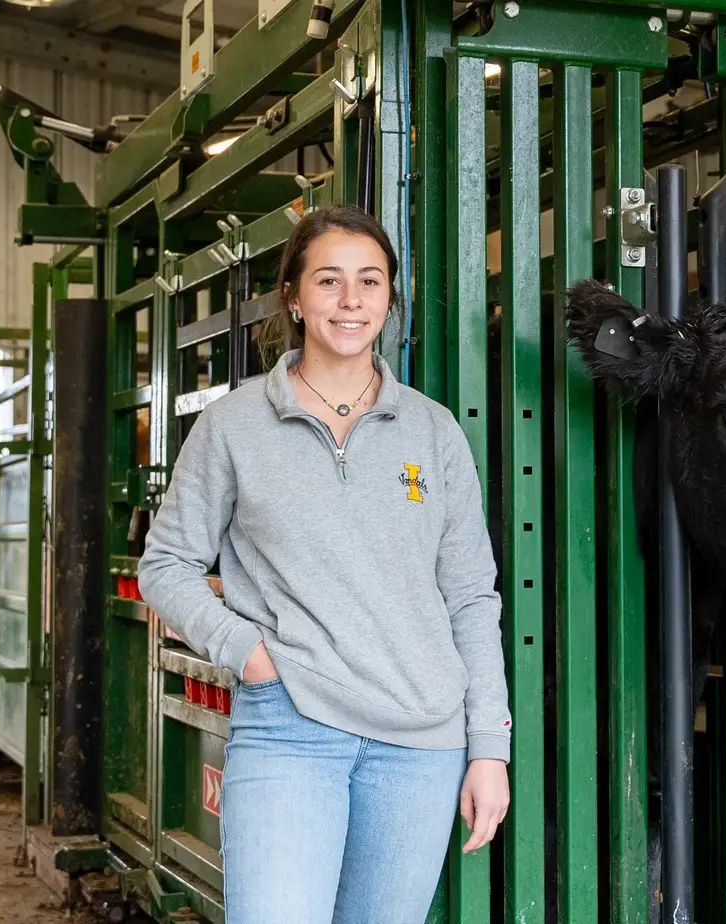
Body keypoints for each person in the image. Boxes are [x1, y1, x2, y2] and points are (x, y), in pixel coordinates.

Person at [137, 204, 512, 924]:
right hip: (290, 727)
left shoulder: (433, 433)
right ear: (294, 297)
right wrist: (246, 651)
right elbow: (167, 566)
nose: (350, 301)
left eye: (370, 283)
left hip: (419, 743)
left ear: (389, 299)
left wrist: (486, 748)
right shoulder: (235, 426)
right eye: (330, 281)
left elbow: (470, 597)